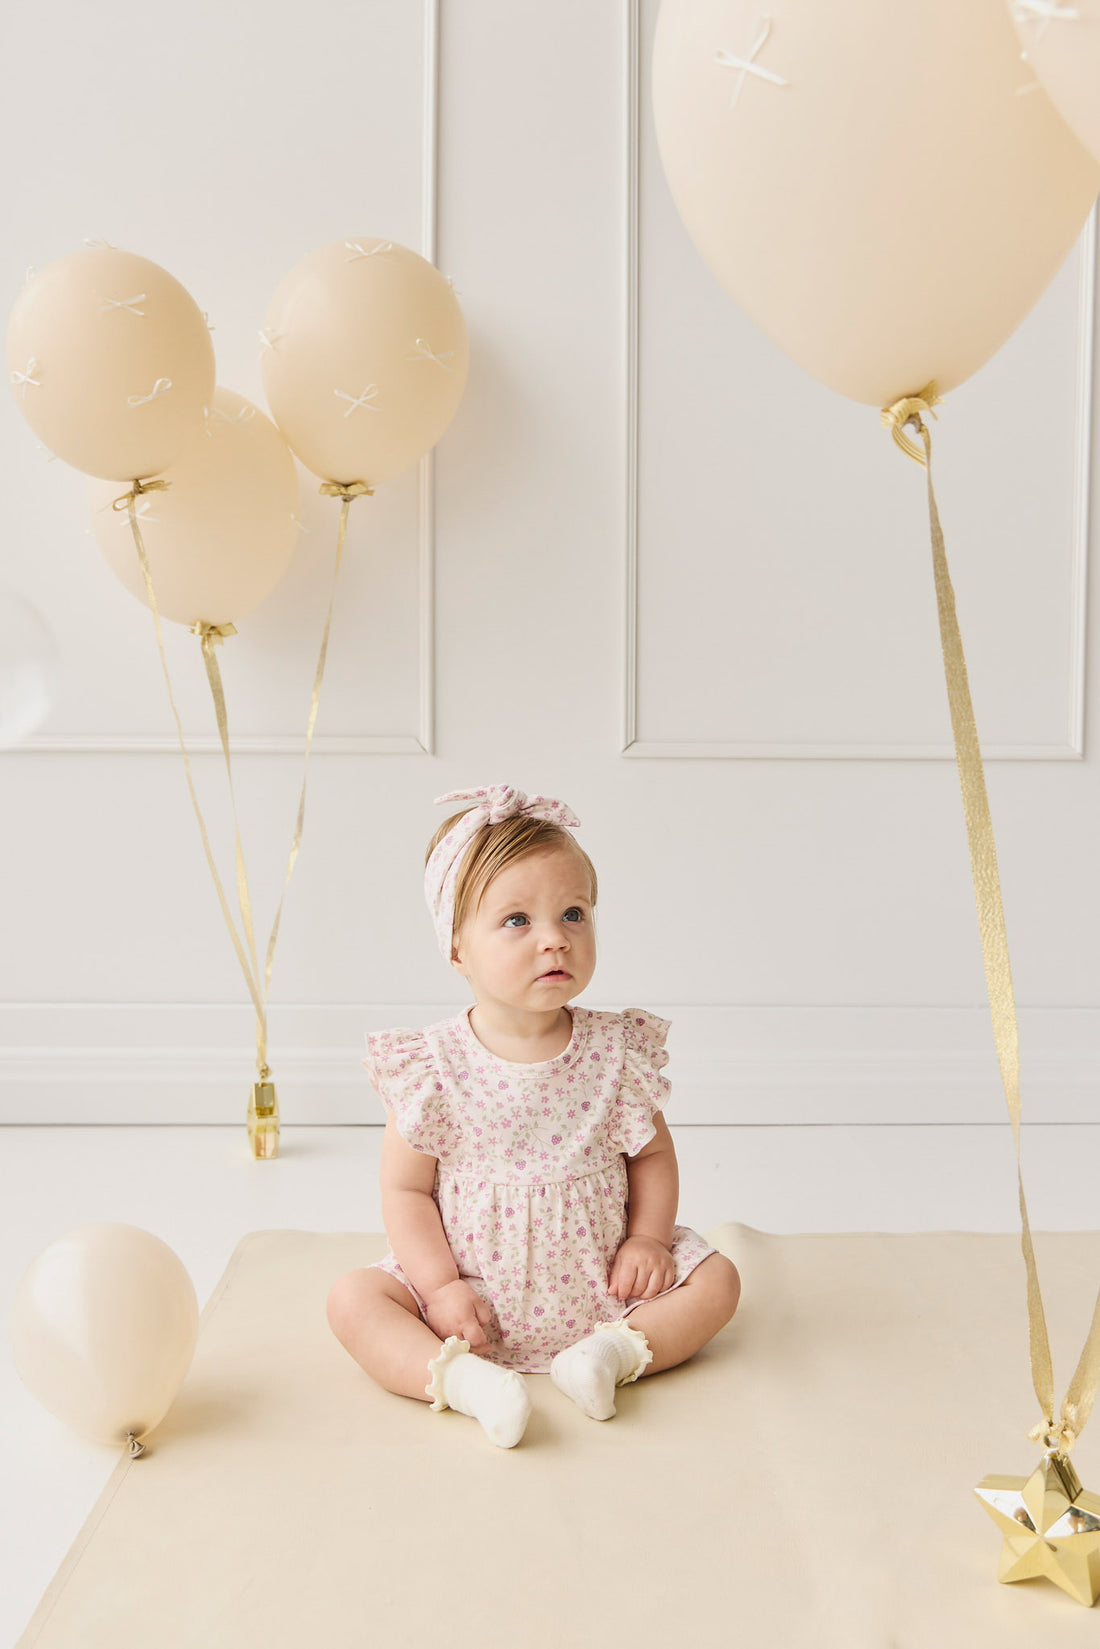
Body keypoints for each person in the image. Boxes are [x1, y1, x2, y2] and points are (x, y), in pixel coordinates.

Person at [326, 783, 741, 1448]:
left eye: (573, 913)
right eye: (518, 920)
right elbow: (405, 1189)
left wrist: (649, 1241)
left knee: (719, 1279)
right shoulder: (432, 1065)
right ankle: (464, 1382)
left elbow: (653, 1157)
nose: (555, 939)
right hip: (471, 1296)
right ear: (457, 947)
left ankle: (609, 1356)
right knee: (352, 1300)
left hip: (604, 1283)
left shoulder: (616, 1051)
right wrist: (436, 1288)